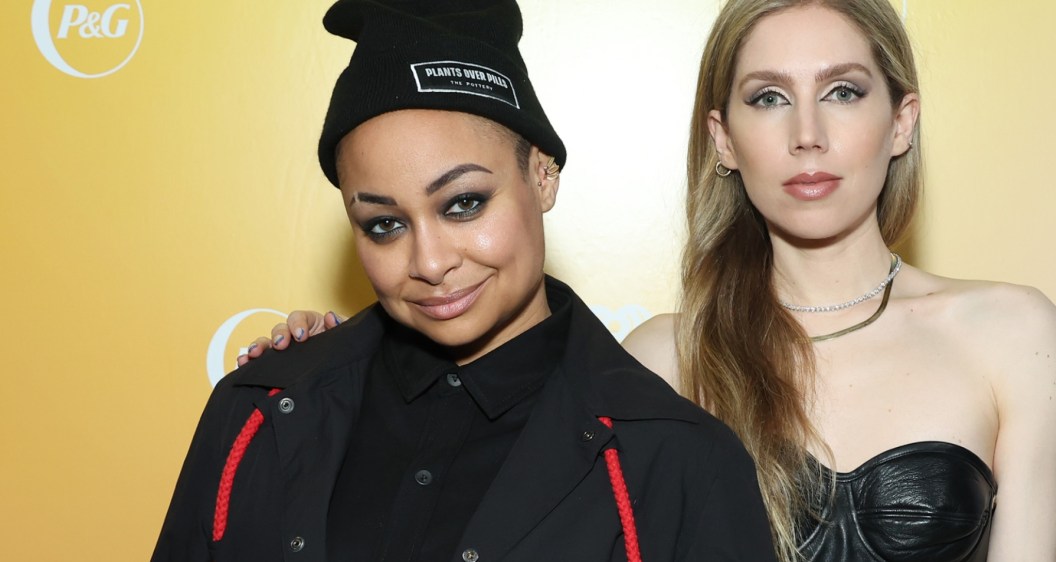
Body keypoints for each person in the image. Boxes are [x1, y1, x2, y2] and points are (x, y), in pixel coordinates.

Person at [254, 0, 1056, 560]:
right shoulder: (657, 361)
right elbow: (472, 459)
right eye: (768, 98)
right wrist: (330, 369)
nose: (808, 135)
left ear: (901, 121)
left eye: (844, 92)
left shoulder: (1010, 332)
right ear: (722, 138)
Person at [152, 1, 777, 561]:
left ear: (542, 175)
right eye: (383, 224)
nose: (428, 261)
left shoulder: (678, 461)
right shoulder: (259, 411)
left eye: (463, 204)